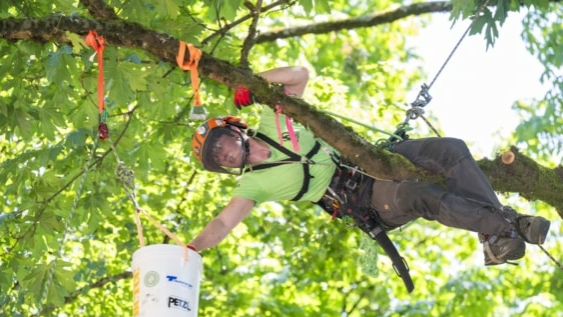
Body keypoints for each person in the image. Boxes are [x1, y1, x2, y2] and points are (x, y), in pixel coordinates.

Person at [188, 65, 550, 267]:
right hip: (364, 200)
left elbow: (299, 74)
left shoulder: (273, 120)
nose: (224, 154)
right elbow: (222, 223)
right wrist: (190, 250)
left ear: (235, 131)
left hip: (367, 159)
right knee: (416, 192)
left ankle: (494, 235)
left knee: (449, 150)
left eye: (221, 144)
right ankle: (509, 225)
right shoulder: (252, 185)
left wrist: (255, 84)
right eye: (217, 158)